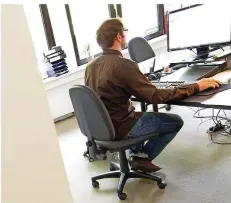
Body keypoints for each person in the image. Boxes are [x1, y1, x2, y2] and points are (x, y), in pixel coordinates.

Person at [85, 18, 220, 173]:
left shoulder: (90, 67)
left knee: (139, 114)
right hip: (122, 127)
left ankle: (136, 153)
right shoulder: (123, 65)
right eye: (124, 33)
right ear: (118, 37)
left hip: (102, 127)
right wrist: (196, 86)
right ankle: (141, 159)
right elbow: (155, 96)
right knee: (175, 121)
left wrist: (141, 82)